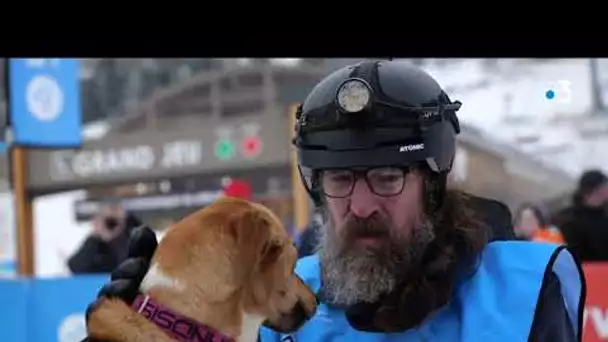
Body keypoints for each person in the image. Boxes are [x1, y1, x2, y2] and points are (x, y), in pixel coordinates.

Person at [83, 60, 585, 341]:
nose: (361, 205)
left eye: (387, 178)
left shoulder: (518, 294)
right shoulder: (285, 304)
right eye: (340, 179)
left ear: (432, 183)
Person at [68, 202, 142, 274]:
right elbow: (75, 267)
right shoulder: (97, 242)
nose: (112, 219)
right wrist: (96, 237)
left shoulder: (137, 234)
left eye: (115, 209)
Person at [557, 169, 608, 262]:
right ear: (594, 190)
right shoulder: (569, 219)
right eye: (605, 186)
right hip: (581, 272)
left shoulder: (604, 216)